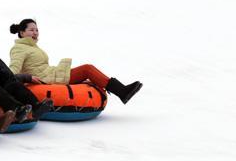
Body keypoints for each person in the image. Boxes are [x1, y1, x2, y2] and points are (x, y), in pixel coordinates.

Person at [9, 19, 143, 104]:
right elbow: (13, 71)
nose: (35, 33)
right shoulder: (19, 48)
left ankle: (121, 91)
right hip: (45, 79)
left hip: (49, 75)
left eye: (37, 30)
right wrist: (27, 78)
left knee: (87, 73)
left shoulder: (32, 47)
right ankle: (122, 91)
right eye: (31, 30)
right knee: (87, 69)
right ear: (21, 32)